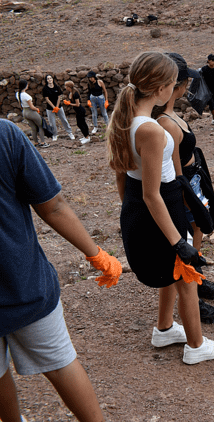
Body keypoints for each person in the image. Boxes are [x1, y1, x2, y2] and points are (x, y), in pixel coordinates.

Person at [107, 51, 214, 364]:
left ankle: (163, 329)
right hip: (163, 208)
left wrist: (133, 216)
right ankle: (197, 346)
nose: (176, 89)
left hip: (151, 209)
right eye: (174, 84)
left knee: (176, 274)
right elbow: (151, 193)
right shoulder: (150, 130)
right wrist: (176, 240)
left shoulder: (129, 121)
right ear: (160, 88)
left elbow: (123, 179)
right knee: (186, 275)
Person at [0, 118, 121, 422]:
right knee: (61, 362)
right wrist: (97, 255)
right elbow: (52, 206)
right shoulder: (5, 135)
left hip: (25, 287)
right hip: (26, 286)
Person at [155, 53, 214, 324]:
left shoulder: (171, 113)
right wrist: (184, 196)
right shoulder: (164, 122)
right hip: (183, 180)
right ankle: (191, 295)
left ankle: (197, 281)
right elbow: (172, 170)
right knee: (186, 234)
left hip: (193, 177)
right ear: (181, 84)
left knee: (197, 228)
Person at [16, 79, 48, 148]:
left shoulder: (18, 94)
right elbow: (32, 107)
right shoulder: (26, 96)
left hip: (24, 112)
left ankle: (36, 142)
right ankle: (43, 142)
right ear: (25, 86)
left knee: (33, 128)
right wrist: (37, 109)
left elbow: (20, 104)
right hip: (31, 112)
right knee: (41, 125)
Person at [42, 74, 75, 141]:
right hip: (50, 108)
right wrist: (53, 107)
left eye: (50, 78)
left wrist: (57, 106)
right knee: (52, 122)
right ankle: (54, 135)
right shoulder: (45, 89)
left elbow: (59, 97)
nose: (49, 80)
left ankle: (70, 132)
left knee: (64, 119)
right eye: (48, 79)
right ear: (46, 80)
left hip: (59, 107)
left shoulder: (57, 87)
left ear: (52, 79)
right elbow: (47, 99)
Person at [62, 81, 91, 145]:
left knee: (81, 123)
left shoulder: (75, 93)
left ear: (68, 87)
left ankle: (87, 137)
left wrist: (70, 104)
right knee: (80, 123)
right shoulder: (71, 93)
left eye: (66, 86)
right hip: (78, 111)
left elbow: (78, 104)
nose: (65, 87)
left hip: (80, 110)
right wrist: (68, 102)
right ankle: (85, 136)